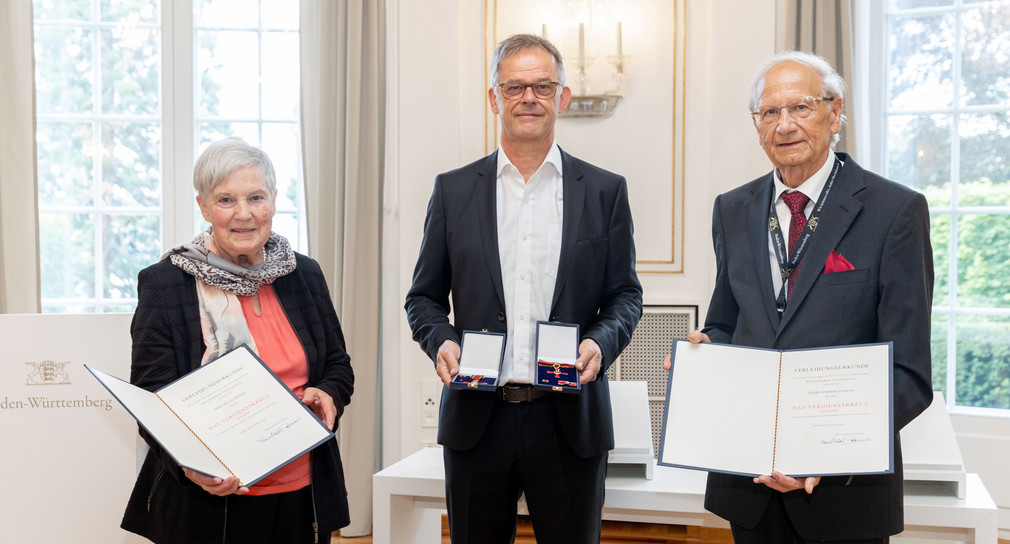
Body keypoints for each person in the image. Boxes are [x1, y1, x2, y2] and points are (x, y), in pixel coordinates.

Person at [664, 51, 934, 543]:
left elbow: (910, 373)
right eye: (770, 112)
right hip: (748, 484)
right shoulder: (732, 209)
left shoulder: (895, 211)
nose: (784, 124)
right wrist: (707, 354)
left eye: (801, 107)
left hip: (845, 497)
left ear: (835, 113)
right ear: (756, 126)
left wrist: (825, 451)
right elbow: (727, 320)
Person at [404, 34, 643, 544]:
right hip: (477, 419)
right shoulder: (453, 190)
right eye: (514, 87)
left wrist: (601, 342)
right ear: (494, 98)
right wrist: (440, 340)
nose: (528, 98)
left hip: (569, 421)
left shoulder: (604, 191)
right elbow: (423, 297)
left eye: (541, 86)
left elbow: (625, 294)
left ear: (563, 97)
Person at [121, 137, 354, 544]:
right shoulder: (166, 284)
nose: (243, 214)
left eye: (256, 197)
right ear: (204, 207)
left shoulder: (305, 275)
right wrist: (190, 466)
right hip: (209, 497)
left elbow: (337, 364)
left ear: (274, 201)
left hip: (303, 492)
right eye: (226, 199)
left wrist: (328, 391)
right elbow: (151, 398)